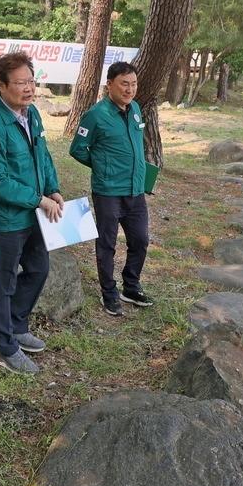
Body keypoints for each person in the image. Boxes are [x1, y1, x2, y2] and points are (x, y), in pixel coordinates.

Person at [0, 52, 63, 375]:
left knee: (39, 268)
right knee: (3, 281)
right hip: (7, 218)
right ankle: (4, 345)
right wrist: (38, 199)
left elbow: (43, 155)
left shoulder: (32, 114)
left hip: (35, 212)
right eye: (21, 83)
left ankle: (16, 323)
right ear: (1, 85)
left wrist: (53, 189)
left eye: (31, 82)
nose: (28, 89)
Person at [70, 60, 152, 316]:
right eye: (124, 84)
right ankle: (109, 293)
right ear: (110, 85)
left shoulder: (135, 108)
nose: (130, 89)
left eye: (134, 84)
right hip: (108, 191)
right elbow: (77, 149)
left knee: (140, 240)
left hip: (135, 190)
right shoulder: (95, 115)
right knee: (107, 244)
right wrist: (103, 166)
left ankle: (131, 286)